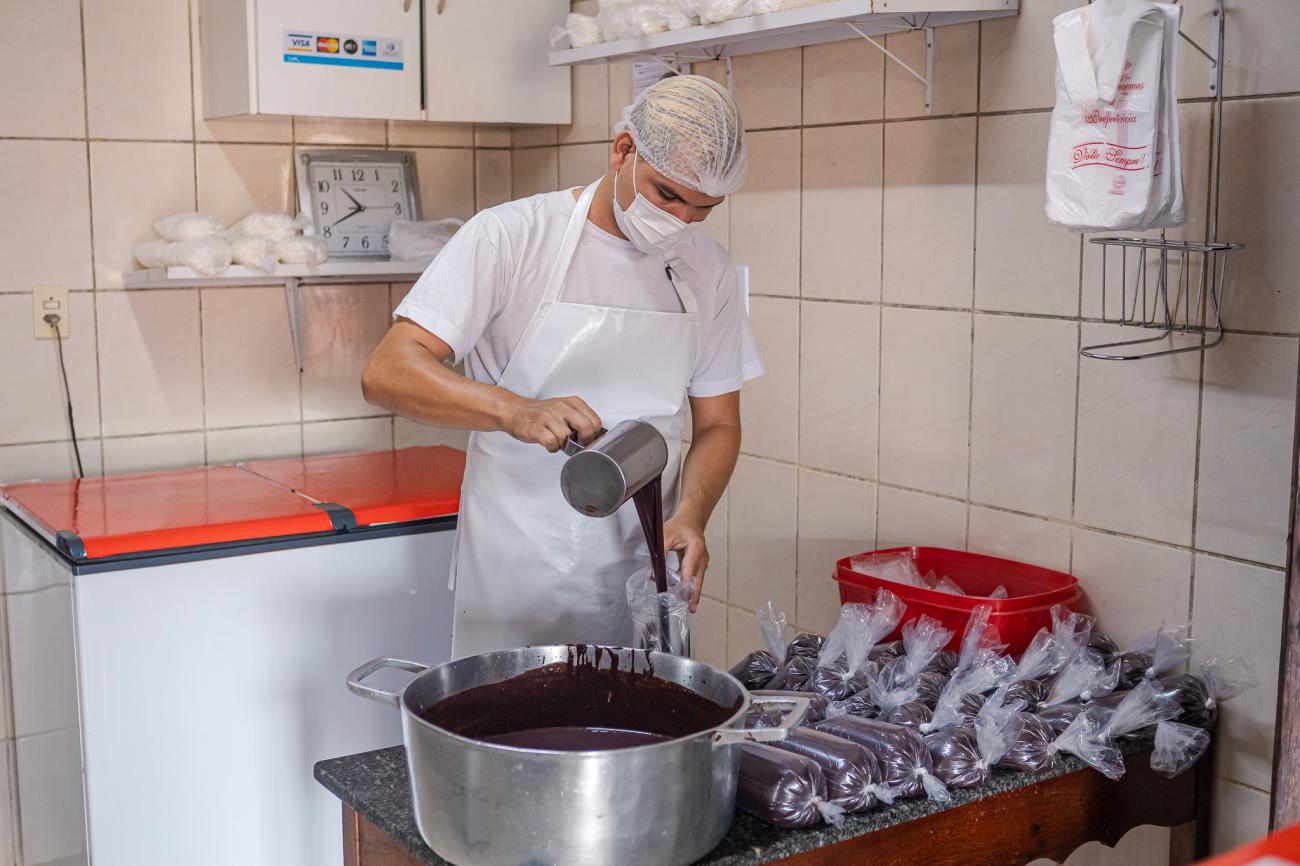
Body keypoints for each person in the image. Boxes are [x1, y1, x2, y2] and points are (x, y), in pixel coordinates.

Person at [362, 75, 761, 658]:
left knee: (639, 710)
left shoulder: (709, 269)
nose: (680, 220)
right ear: (623, 150)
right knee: (512, 713)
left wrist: (692, 515)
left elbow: (720, 424)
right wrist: (514, 410)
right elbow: (387, 371)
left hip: (643, 573)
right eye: (667, 195)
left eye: (702, 209)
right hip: (518, 571)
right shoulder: (510, 237)